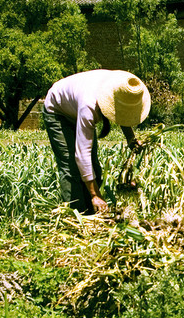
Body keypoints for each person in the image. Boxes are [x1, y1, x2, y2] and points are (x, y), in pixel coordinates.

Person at [42, 69, 151, 214]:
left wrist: (131, 138)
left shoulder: (121, 86)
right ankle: (75, 217)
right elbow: (82, 154)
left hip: (77, 104)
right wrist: (94, 194)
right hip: (58, 110)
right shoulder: (89, 106)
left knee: (94, 167)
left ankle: (93, 211)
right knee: (71, 168)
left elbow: (122, 111)